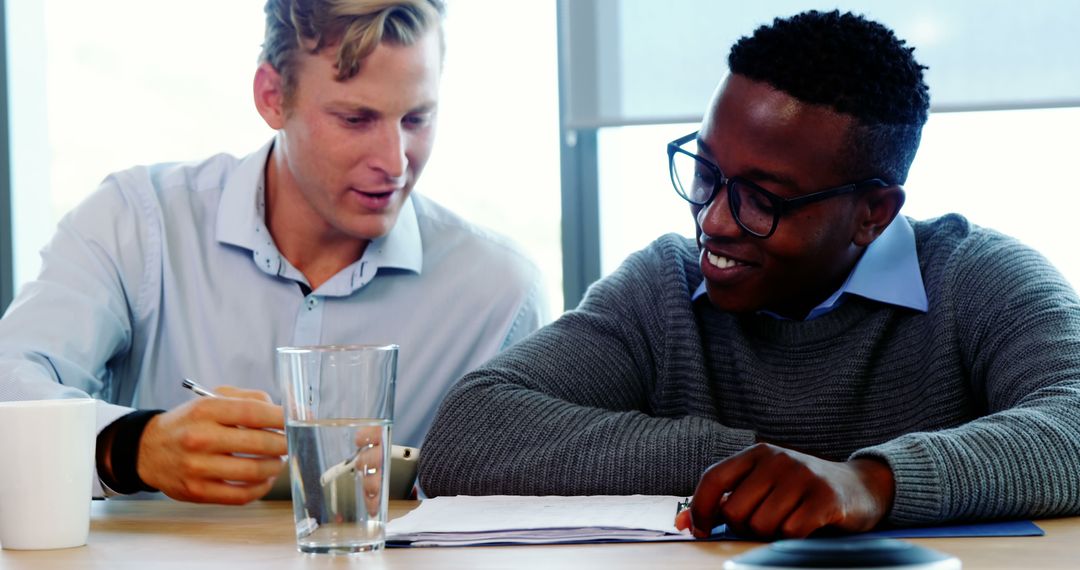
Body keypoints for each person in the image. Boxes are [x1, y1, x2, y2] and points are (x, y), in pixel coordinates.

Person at [417, 10, 1080, 539]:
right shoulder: (663, 287)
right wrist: (745, 461)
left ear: (872, 214)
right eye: (705, 171)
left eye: (763, 198)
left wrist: (869, 483)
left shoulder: (977, 280)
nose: (713, 220)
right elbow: (469, 433)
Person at [0, 0, 546, 505]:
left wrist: (426, 482)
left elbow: (524, 497)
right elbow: (9, 387)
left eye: (416, 119)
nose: (394, 161)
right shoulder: (136, 224)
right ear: (272, 97)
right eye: (355, 119)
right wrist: (133, 448)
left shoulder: (500, 296)